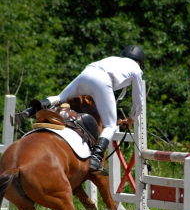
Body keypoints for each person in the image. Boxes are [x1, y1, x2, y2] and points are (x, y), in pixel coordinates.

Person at [12, 45, 145, 176]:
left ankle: (30, 111)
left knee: (60, 97)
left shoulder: (113, 59)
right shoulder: (136, 69)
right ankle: (96, 158)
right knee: (109, 126)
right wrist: (131, 119)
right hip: (103, 81)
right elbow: (139, 101)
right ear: (139, 61)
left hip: (87, 73)